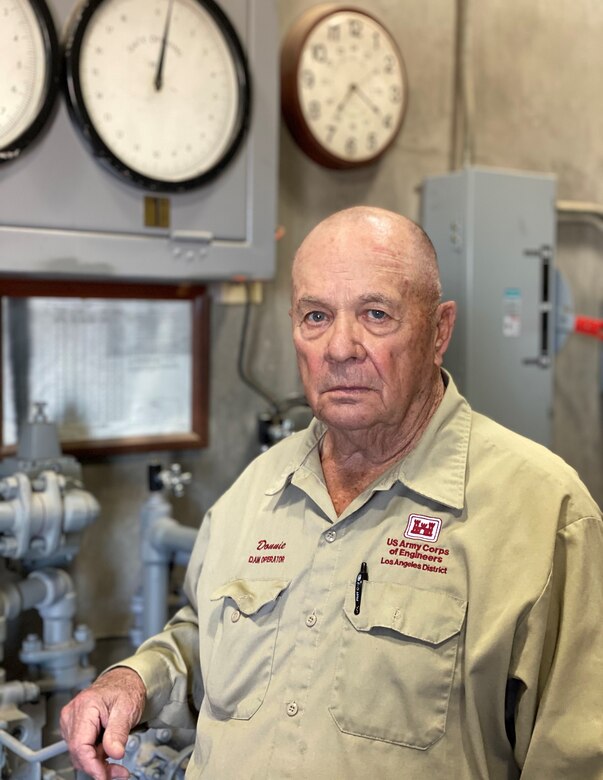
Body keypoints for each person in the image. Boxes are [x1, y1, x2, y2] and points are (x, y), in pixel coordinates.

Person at [61, 207, 603, 779]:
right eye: (316, 316)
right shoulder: (258, 489)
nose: (340, 347)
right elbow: (202, 633)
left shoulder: (544, 515)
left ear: (439, 331)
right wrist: (134, 680)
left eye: (376, 314)